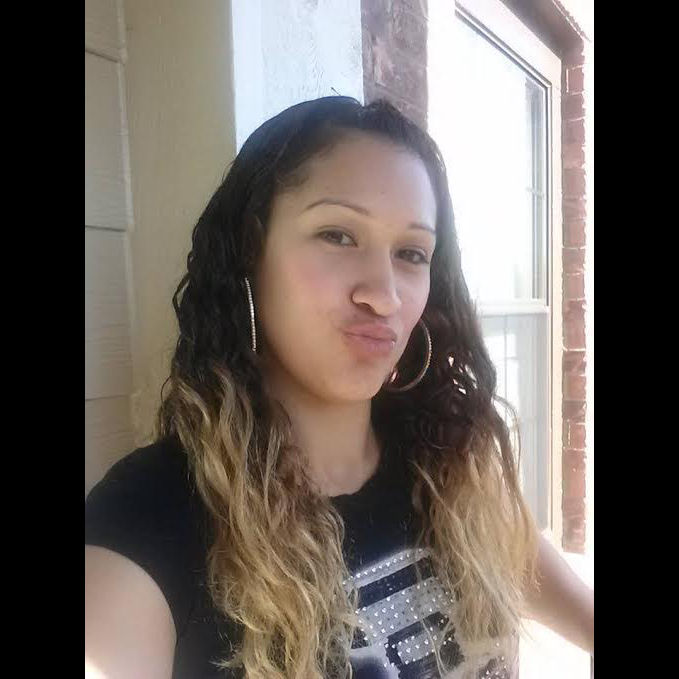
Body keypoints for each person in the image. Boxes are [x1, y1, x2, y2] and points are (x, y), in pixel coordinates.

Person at [85, 96, 594, 679]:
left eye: (411, 253)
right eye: (338, 235)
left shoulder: (449, 469)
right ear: (250, 253)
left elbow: (526, 563)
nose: (384, 295)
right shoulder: (148, 519)